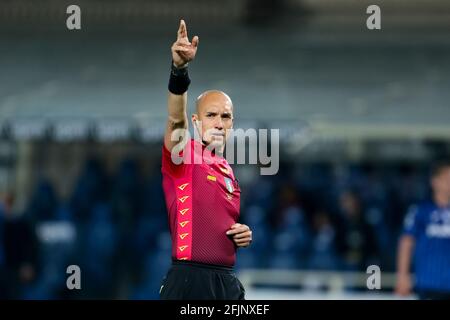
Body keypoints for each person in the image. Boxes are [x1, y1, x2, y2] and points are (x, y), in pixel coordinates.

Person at [159, 20, 252, 300]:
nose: (219, 123)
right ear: (197, 122)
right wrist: (180, 70)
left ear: (232, 123)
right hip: (190, 281)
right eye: (211, 115)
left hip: (226, 283)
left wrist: (242, 233)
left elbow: (217, 224)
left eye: (225, 117)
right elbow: (176, 118)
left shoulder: (227, 170)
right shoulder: (183, 156)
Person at [395, 161, 450, 299]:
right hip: (429, 284)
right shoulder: (420, 210)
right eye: (446, 178)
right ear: (434, 181)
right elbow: (406, 242)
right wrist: (403, 276)